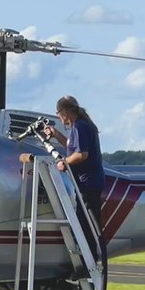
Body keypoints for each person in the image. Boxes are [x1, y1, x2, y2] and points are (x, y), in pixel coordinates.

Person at [45, 95, 105, 236]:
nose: (58, 117)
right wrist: (56, 134)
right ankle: (92, 253)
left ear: (64, 112)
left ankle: (91, 254)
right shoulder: (80, 125)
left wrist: (64, 162)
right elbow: (72, 145)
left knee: (86, 223)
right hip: (90, 181)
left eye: (58, 113)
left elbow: (81, 154)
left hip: (88, 183)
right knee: (87, 220)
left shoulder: (79, 126)